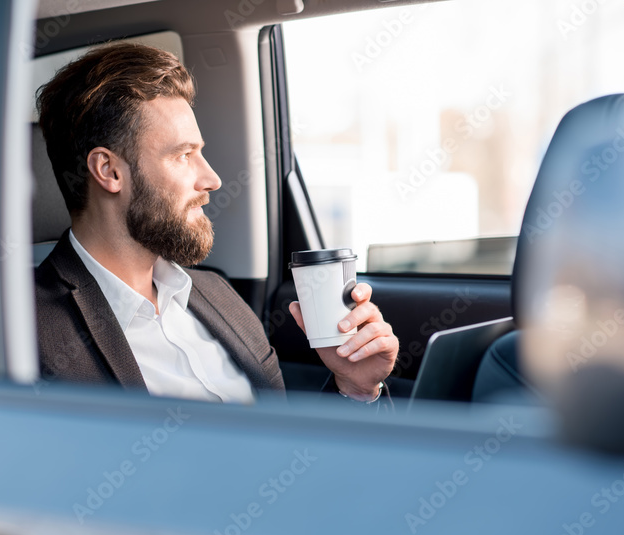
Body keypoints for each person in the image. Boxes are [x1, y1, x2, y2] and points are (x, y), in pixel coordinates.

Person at [34, 42, 398, 405]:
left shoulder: (217, 295)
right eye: (183, 155)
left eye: (200, 153)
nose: (212, 179)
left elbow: (285, 450)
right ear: (109, 171)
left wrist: (354, 388)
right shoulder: (24, 328)